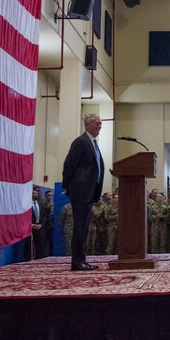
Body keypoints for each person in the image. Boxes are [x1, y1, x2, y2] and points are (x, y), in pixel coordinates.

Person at [61, 113, 106, 271]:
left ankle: (81, 260)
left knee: (84, 227)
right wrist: (66, 186)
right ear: (87, 125)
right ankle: (77, 261)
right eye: (97, 123)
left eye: (100, 123)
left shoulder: (93, 143)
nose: (100, 126)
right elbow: (69, 165)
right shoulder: (80, 142)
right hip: (80, 191)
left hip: (89, 192)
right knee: (80, 227)